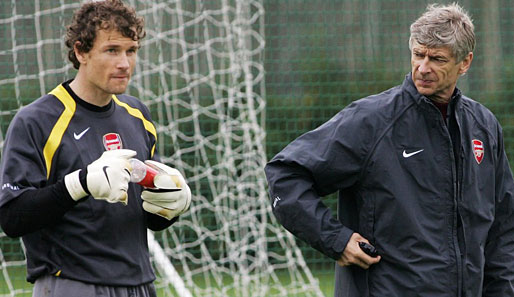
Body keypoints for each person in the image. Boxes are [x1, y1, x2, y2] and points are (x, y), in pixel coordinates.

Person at [265, 3, 514, 296]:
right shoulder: (371, 121)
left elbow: (502, 227)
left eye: (436, 59)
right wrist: (336, 239)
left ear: (465, 62)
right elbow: (285, 175)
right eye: (418, 54)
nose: (423, 67)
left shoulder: (483, 127)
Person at [0, 1, 191, 296]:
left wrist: (171, 204)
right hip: (71, 284)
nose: (125, 63)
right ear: (81, 52)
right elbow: (12, 218)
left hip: (140, 285)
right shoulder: (38, 120)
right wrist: (80, 184)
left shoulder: (138, 116)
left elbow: (149, 215)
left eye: (131, 51)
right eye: (112, 50)